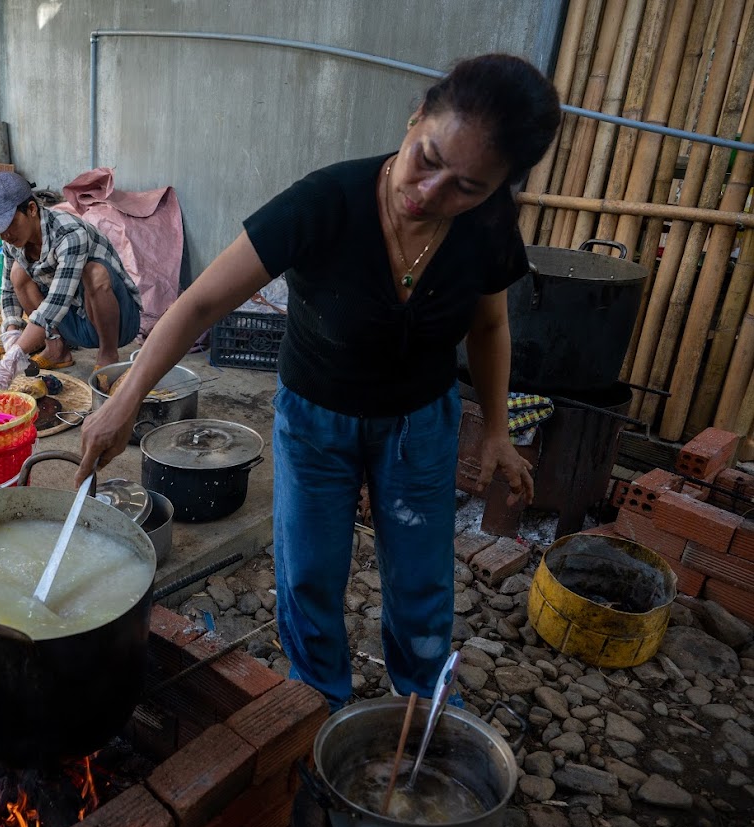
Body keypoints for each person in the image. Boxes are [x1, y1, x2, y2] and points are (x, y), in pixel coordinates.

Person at [78, 54, 561, 712]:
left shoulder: (487, 223)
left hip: (419, 424)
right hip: (316, 421)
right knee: (309, 573)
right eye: (426, 158)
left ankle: (415, 715)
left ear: (499, 187)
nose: (428, 193)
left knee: (421, 579)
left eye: (466, 186)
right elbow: (196, 305)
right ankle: (317, 710)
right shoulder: (323, 201)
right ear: (415, 117)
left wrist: (498, 432)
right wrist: (124, 402)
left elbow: (489, 326)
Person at [0, 172, 143, 391]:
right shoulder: (12, 242)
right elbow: (8, 291)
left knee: (94, 273)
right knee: (17, 272)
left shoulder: (70, 233)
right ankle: (57, 349)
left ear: (32, 210)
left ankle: (108, 355)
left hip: (117, 321)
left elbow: (57, 301)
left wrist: (18, 353)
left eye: (9, 224)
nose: (5, 235)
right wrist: (11, 331)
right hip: (71, 321)